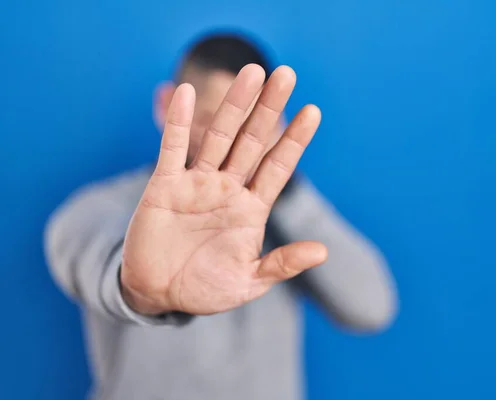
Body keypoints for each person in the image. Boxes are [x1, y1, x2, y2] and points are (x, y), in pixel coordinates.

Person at [44, 32, 398, 400]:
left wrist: (286, 192)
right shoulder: (96, 209)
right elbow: (87, 255)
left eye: (248, 129)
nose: (229, 143)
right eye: (213, 122)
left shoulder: (285, 218)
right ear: (167, 104)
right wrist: (140, 290)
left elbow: (372, 308)